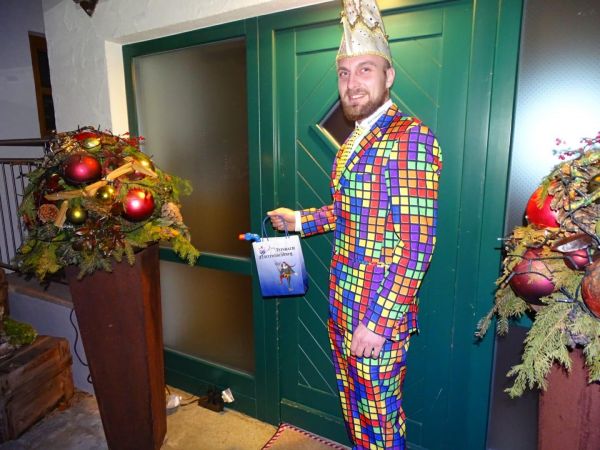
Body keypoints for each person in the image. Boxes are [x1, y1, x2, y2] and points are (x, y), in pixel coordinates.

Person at [268, 1, 442, 448]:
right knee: (355, 407)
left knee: (379, 416)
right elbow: (350, 211)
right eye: (344, 73)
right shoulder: (353, 140)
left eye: (366, 69)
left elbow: (417, 246)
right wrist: (299, 220)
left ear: (389, 76)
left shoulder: (409, 138)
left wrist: (380, 321)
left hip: (376, 313)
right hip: (343, 303)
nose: (352, 83)